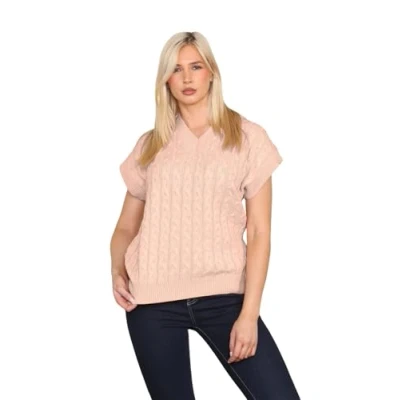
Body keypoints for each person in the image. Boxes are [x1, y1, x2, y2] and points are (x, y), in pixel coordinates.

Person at [110, 31, 301, 400]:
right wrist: (117, 268)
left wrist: (249, 314)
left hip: (225, 298)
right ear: (165, 79)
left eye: (195, 67)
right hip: (151, 301)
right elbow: (124, 228)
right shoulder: (150, 145)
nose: (186, 77)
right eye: (176, 69)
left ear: (211, 72)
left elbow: (259, 233)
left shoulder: (248, 138)